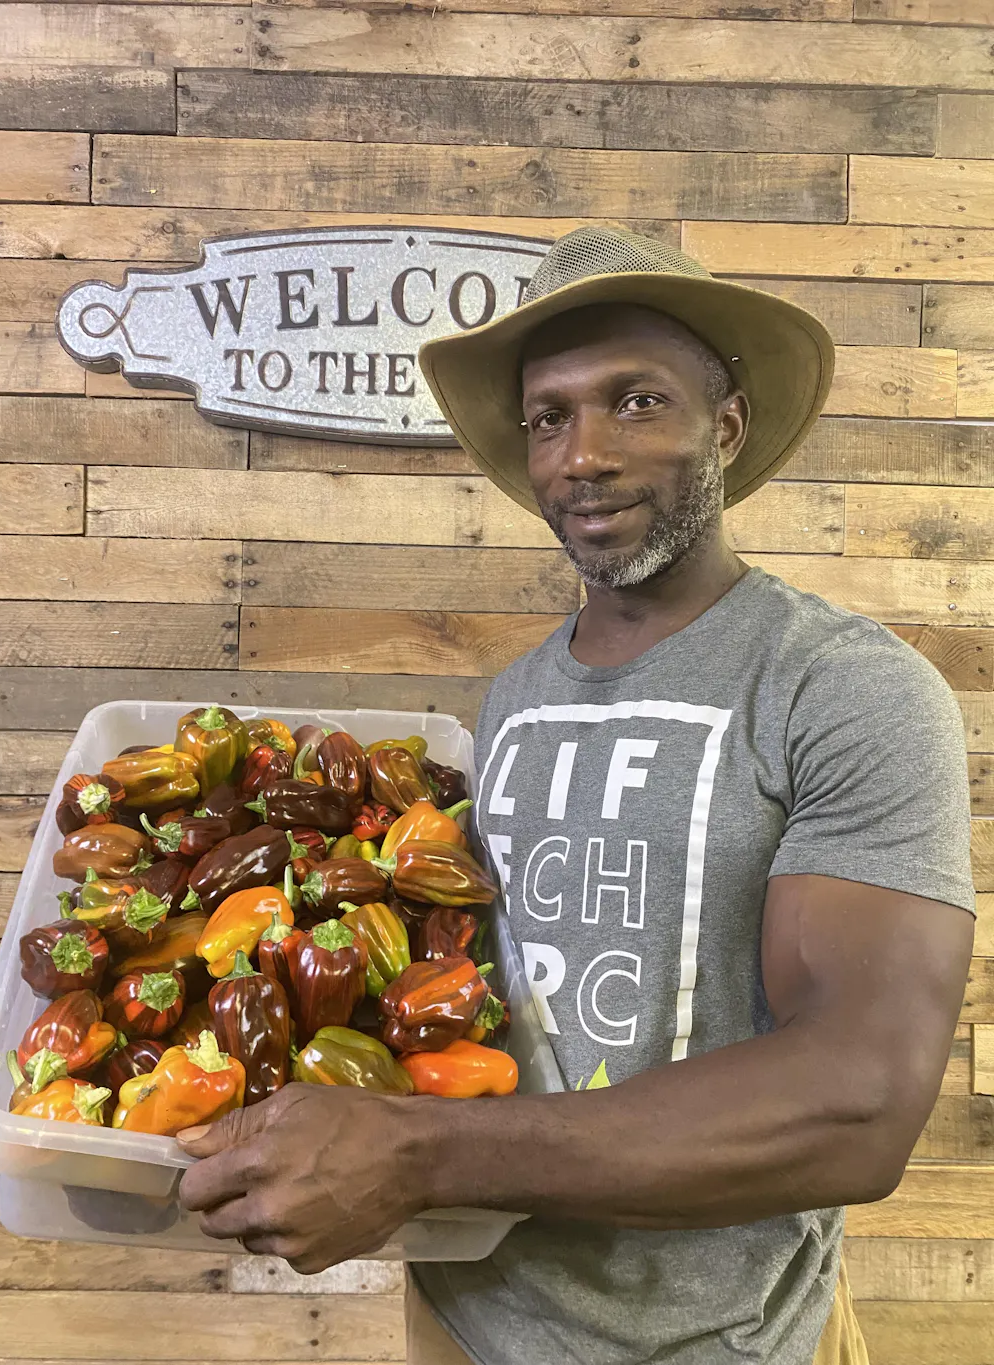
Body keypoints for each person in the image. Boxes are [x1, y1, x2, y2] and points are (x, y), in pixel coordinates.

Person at [177, 227, 976, 1365]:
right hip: (464, 1315)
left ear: (725, 427)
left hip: (718, 1340)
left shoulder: (843, 687)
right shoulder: (512, 698)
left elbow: (859, 1101)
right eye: (548, 417)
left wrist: (415, 1154)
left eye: (636, 402)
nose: (582, 455)